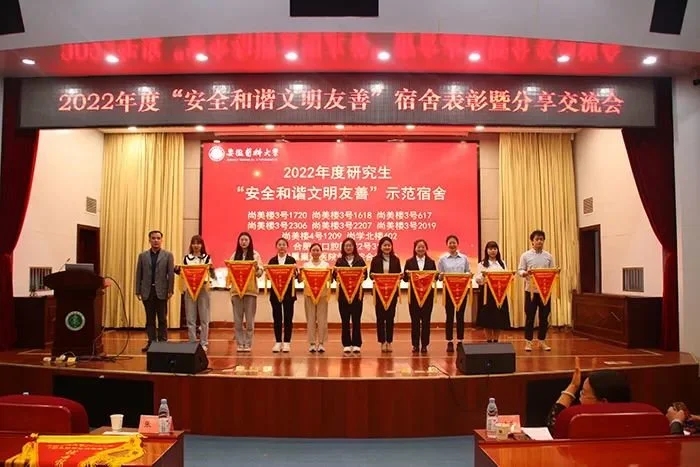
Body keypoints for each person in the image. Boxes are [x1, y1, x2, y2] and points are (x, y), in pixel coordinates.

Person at [546, 358, 631, 436]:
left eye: (583, 393)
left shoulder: (584, 426)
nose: (580, 397)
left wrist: (573, 386)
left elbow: (554, 424)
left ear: (603, 402)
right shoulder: (630, 422)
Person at [135, 230, 175, 352]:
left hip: (162, 291)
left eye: (158, 238)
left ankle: (163, 342)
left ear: (161, 240)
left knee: (162, 318)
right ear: (149, 240)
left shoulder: (168, 255)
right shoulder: (143, 256)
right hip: (147, 291)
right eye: (153, 238)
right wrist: (137, 290)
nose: (156, 240)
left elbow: (170, 274)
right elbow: (139, 274)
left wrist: (170, 289)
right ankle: (151, 342)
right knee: (150, 319)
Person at [518, 229, 556, 351]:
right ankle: (528, 342)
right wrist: (525, 273)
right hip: (530, 291)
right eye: (537, 239)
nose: (539, 241)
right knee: (530, 317)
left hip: (545, 291)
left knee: (544, 317)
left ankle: (542, 340)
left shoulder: (548, 256)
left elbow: (552, 271)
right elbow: (520, 270)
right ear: (532, 241)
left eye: (541, 239)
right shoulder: (525, 255)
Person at [176, 235, 213, 352]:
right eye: (194, 243)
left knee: (204, 317)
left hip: (203, 289)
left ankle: (204, 342)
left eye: (198, 243)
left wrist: (211, 270)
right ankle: (192, 342)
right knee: (190, 317)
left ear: (202, 245)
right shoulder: (186, 259)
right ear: (191, 245)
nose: (196, 246)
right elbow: (182, 274)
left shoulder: (207, 258)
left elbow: (211, 274)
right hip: (190, 289)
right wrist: (177, 270)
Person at [229, 232, 264, 352]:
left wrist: (256, 268)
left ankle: (248, 343)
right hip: (236, 292)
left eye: (246, 240)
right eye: (242, 240)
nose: (243, 242)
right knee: (238, 320)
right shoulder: (234, 255)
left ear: (250, 242)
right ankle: (240, 343)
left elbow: (259, 274)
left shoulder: (255, 255)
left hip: (250, 291)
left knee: (249, 320)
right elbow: (230, 272)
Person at [437, 234, 471, 353]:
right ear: (447, 245)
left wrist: (467, 275)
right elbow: (439, 277)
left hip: (462, 291)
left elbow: (468, 272)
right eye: (450, 243)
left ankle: (460, 341)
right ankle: (449, 341)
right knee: (449, 316)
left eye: (454, 243)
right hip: (448, 291)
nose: (452, 245)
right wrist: (441, 276)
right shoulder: (442, 259)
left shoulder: (464, 258)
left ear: (457, 244)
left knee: (460, 316)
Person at [403, 239, 436, 353]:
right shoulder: (409, 262)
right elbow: (405, 279)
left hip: (427, 296)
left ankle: (425, 345)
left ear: (426, 249)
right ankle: (415, 344)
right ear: (415, 248)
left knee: (426, 321)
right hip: (414, 296)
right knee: (415, 321)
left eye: (423, 247)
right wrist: (407, 275)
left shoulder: (431, 262)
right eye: (418, 247)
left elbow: (435, 278)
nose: (421, 249)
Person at [334, 238, 367, 354]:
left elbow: (365, 275)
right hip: (343, 296)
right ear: (343, 248)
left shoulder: (360, 260)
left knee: (356, 320)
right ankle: (346, 344)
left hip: (357, 295)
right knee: (345, 320)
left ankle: (357, 343)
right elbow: (335, 277)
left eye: (350, 245)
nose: (348, 248)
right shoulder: (339, 261)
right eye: (346, 246)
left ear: (354, 247)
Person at [370, 236, 402, 353]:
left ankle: (389, 341)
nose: (387, 247)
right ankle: (382, 342)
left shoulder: (396, 260)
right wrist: (373, 275)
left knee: (390, 317)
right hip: (379, 293)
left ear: (391, 246)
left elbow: (399, 274)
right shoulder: (375, 259)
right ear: (380, 247)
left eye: (389, 245)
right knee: (380, 317)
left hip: (392, 293)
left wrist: (400, 276)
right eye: (384, 245)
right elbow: (370, 275)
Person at [475, 241, 511, 343]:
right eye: (490, 249)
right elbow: (478, 280)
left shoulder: (502, 263)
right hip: (487, 293)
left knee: (498, 317)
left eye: (495, 249)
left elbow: (506, 276)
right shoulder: (482, 264)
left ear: (497, 250)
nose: (493, 251)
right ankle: (488, 340)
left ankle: (496, 340)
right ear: (486, 251)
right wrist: (483, 276)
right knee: (487, 317)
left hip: (500, 293)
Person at [268, 237, 297, 353]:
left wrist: (295, 271)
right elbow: (268, 276)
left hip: (289, 294)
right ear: (276, 246)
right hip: (275, 293)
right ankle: (278, 341)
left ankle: (287, 342)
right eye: (279, 244)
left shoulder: (291, 260)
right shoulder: (272, 261)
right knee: (277, 318)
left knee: (288, 318)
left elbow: (296, 275)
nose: (281, 246)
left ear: (287, 247)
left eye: (284, 244)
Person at [300, 243, 330, 353]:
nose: (316, 252)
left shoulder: (326, 265)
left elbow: (329, 279)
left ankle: (321, 343)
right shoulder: (306, 265)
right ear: (310, 252)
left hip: (322, 294)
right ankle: (312, 343)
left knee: (322, 319)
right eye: (314, 250)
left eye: (318, 250)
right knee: (310, 319)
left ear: (321, 252)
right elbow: (301, 279)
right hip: (309, 295)